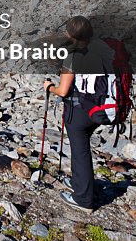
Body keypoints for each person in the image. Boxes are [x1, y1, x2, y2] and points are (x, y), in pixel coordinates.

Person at [42, 15, 115, 212]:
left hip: (81, 110)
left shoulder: (73, 55)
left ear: (69, 34)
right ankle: (79, 182)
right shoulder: (101, 49)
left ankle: (83, 199)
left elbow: (63, 91)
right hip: (101, 107)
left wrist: (49, 87)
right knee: (81, 148)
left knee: (80, 151)